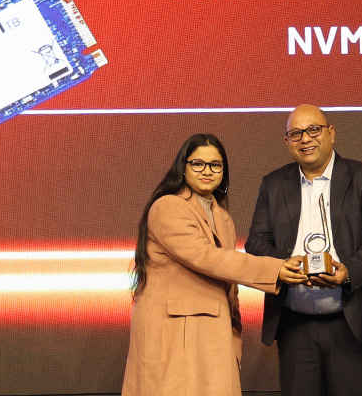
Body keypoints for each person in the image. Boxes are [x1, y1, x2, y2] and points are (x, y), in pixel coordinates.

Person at [122, 133, 305, 396]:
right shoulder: (168, 207)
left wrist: (234, 335)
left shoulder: (222, 217)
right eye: (198, 164)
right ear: (183, 167)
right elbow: (206, 257)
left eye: (215, 165)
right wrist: (273, 269)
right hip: (175, 333)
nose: (207, 171)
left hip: (212, 333)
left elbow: (227, 280)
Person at [247, 104, 362, 396]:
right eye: (296, 133)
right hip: (295, 324)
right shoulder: (273, 184)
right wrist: (283, 266)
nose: (305, 139)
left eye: (313, 130)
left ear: (331, 133)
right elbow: (256, 241)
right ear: (287, 141)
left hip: (351, 321)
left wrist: (348, 272)